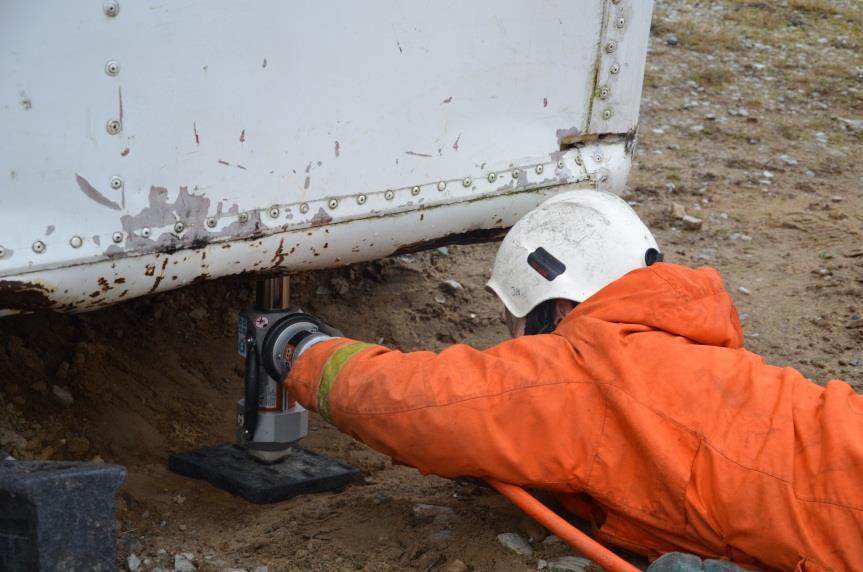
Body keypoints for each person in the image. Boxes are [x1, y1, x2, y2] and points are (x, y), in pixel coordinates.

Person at [283, 190, 862, 571]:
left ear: (553, 304)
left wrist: (299, 351)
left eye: (522, 327)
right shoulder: (698, 357)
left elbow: (416, 403)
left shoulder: (588, 366)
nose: (522, 348)